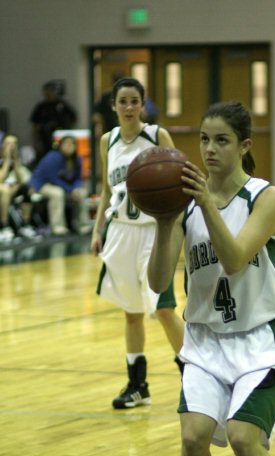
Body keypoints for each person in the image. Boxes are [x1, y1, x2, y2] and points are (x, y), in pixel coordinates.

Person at [147, 101, 275, 456]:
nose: (210, 150)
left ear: (244, 145)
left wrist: (206, 204)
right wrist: (164, 220)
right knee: (193, 438)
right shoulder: (185, 204)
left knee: (242, 439)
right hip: (206, 341)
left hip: (259, 342)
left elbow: (234, 259)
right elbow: (156, 283)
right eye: (204, 140)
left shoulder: (265, 197)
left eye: (222, 140)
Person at [91, 77, 185, 409]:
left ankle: (195, 373)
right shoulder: (107, 141)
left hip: (154, 231)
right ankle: (137, 384)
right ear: (113, 106)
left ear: (142, 105)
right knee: (131, 312)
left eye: (134, 101)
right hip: (120, 231)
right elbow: (106, 190)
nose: (129, 107)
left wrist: (176, 228)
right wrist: (97, 229)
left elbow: (179, 179)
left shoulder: (156, 136)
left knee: (163, 308)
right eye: (123, 101)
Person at [28, 135, 89, 235]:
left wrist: (76, 188)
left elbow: (78, 178)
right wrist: (71, 190)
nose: (69, 146)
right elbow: (53, 179)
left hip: (64, 186)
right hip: (43, 184)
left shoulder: (77, 159)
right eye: (66, 144)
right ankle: (58, 227)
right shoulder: (53, 157)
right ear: (60, 145)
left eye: (72, 144)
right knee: (57, 193)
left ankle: (83, 225)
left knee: (81, 193)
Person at [29, 81, 77, 162]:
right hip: (45, 138)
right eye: (47, 91)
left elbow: (73, 118)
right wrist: (36, 141)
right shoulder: (41, 107)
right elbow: (35, 125)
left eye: (52, 90)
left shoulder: (62, 104)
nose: (49, 93)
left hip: (60, 136)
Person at [0, 133, 35, 241]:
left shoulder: (16, 159)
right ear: (2, 145)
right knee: (5, 190)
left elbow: (21, 180)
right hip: (3, 190)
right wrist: (7, 160)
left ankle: (25, 224)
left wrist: (15, 163)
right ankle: (4, 226)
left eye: (15, 143)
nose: (12, 146)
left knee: (26, 188)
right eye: (8, 143)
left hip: (10, 190)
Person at [92, 70, 125, 139]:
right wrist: (98, 127)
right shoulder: (106, 96)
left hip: (124, 129)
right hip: (110, 130)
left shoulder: (127, 95)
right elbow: (96, 114)